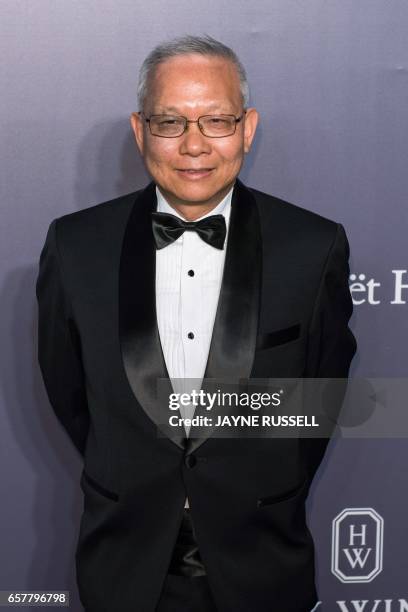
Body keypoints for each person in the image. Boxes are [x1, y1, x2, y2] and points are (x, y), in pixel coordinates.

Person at [36, 35, 356, 612]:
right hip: (124, 562)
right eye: (170, 123)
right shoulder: (76, 245)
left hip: (262, 560)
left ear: (248, 128)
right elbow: (70, 394)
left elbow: (320, 402)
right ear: (140, 131)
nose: (193, 145)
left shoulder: (314, 246)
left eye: (217, 121)